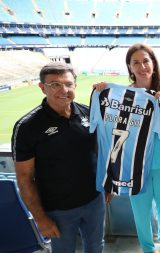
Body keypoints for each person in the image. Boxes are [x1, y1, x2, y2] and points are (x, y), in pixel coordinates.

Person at [11, 62, 105, 252]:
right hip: (58, 211)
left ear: (75, 86)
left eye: (68, 84)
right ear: (42, 87)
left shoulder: (89, 113)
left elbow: (100, 154)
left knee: (96, 247)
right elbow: (24, 178)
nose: (64, 90)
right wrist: (40, 218)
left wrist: (107, 186)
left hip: (95, 202)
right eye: (55, 84)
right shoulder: (27, 126)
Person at [93, 43, 160, 253]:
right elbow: (111, 125)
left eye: (146, 61)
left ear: (153, 64)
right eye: (135, 62)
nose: (142, 66)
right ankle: (147, 248)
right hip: (134, 163)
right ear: (129, 67)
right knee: (140, 209)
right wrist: (102, 91)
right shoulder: (122, 95)